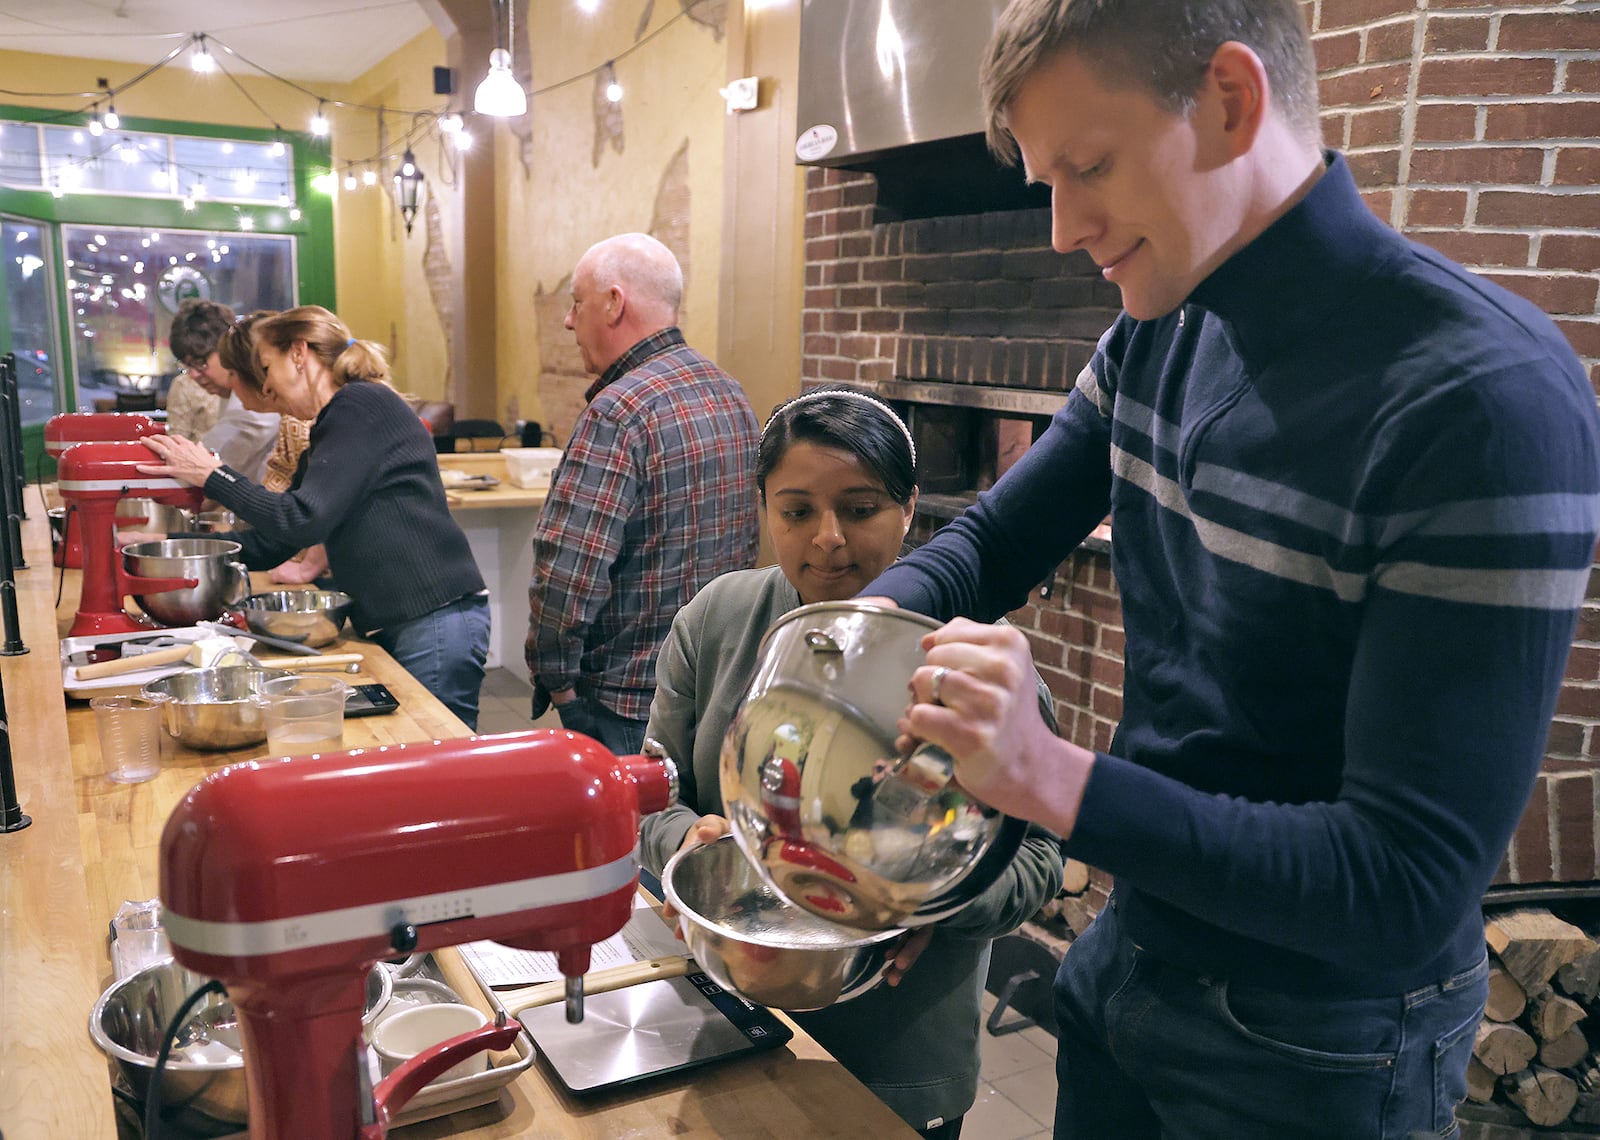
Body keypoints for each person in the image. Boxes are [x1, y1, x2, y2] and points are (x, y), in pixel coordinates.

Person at [862, 2, 1600, 1137]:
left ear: (1230, 100)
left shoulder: (1480, 402)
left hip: (1324, 1041)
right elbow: (990, 544)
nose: (1061, 228)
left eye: (1088, 165)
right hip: (1137, 948)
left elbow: (1400, 885)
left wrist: (1046, 776)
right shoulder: (1159, 327)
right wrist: (852, 633)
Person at [639, 389, 1065, 1139]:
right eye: (797, 510)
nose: (828, 539)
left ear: (909, 510)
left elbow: (1038, 863)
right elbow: (653, 791)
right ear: (764, 509)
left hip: (900, 1053)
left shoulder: (977, 658)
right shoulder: (716, 621)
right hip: (726, 1018)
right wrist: (686, 841)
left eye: (860, 508)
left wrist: (928, 897)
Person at [138, 305, 491, 729]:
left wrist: (215, 476)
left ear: (299, 353)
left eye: (267, 366)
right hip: (411, 620)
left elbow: (302, 519)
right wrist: (173, 555)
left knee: (441, 764)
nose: (265, 383)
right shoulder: (335, 424)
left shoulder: (359, 405)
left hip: (433, 619)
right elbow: (277, 540)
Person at [526, 232, 760, 755]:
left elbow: (567, 571)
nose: (568, 321)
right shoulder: (731, 392)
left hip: (627, 704)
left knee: (630, 836)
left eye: (576, 302)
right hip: (720, 687)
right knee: (696, 834)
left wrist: (557, 681)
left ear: (613, 303)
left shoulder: (616, 413)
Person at [216, 314, 327, 584]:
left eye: (232, 374)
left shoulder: (307, 422)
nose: (229, 384)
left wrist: (215, 478)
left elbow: (301, 519)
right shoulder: (297, 419)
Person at [167, 299, 280, 483]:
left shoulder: (253, 403)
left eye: (200, 362)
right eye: (187, 366)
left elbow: (208, 462)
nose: (194, 375)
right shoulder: (228, 396)